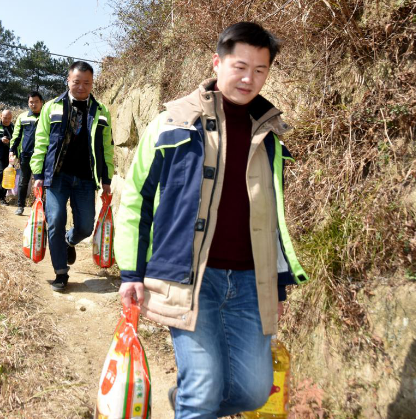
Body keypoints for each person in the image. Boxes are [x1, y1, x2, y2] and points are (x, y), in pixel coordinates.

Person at [115, 22, 309, 419]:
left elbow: (273, 219)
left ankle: (185, 405)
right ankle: (193, 405)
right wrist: (131, 271)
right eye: (240, 66)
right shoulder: (173, 122)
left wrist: (278, 283)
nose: (249, 78)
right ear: (217, 63)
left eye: (260, 70)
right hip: (189, 278)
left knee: (253, 390)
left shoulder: (271, 134)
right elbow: (137, 198)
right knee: (203, 387)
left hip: (249, 282)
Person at [31, 61, 115, 292]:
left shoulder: (101, 111)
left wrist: (106, 179)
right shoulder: (51, 107)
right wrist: (38, 174)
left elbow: (107, 148)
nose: (81, 87)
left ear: (92, 83)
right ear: (68, 80)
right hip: (58, 176)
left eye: (86, 83)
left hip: (86, 179)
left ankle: (70, 241)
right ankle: (60, 272)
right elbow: (41, 143)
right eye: (76, 82)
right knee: (56, 220)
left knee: (86, 228)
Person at [10, 92, 44, 215]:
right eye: (31, 102)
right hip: (25, 154)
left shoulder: (46, 116)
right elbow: (16, 135)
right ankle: (20, 206)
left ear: (41, 102)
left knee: (41, 181)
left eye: (36, 101)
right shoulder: (22, 117)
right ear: (28, 103)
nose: (33, 104)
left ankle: (40, 207)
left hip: (42, 155)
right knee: (24, 180)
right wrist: (12, 149)